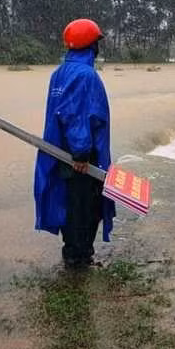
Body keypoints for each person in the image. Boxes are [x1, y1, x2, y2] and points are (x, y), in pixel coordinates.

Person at [34, 18, 116, 269]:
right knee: (85, 208)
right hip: (80, 156)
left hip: (60, 152)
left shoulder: (59, 73)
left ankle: (73, 253)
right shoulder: (86, 76)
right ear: (92, 46)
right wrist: (81, 154)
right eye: (97, 42)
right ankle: (78, 259)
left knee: (69, 204)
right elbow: (77, 115)